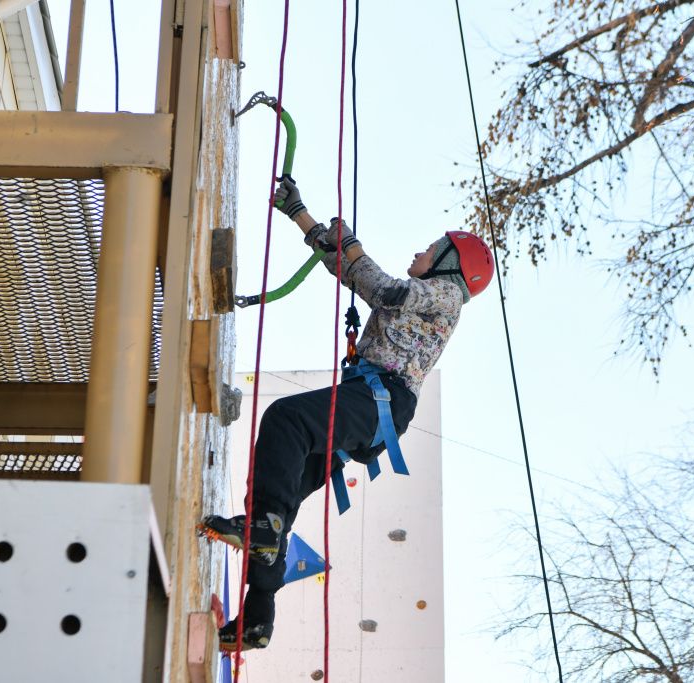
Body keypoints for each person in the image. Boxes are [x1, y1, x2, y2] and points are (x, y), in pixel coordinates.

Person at [202, 178, 494, 650]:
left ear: (450, 264)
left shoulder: (445, 295)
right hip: (371, 401)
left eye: (432, 248)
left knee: (286, 421)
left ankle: (262, 528)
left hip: (382, 400)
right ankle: (257, 618)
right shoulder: (426, 296)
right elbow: (350, 268)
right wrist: (301, 215)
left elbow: (380, 288)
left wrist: (354, 245)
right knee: (285, 493)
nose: (420, 251)